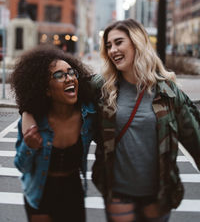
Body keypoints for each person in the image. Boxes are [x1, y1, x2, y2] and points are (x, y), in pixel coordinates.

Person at [91, 19, 200, 222]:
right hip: (118, 195)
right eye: (108, 45)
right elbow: (64, 91)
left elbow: (195, 138)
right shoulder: (102, 87)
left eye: (118, 42)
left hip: (157, 197)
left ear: (137, 42)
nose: (113, 50)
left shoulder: (168, 91)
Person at [10, 45, 98, 222]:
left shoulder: (88, 116)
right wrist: (29, 146)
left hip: (73, 190)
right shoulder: (34, 121)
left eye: (71, 72)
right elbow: (22, 166)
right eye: (59, 75)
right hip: (40, 192)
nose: (69, 78)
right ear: (46, 89)